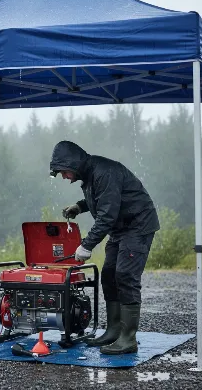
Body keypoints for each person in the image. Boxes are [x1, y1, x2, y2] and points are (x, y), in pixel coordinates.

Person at [49, 140, 160, 355]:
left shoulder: (104, 172)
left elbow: (107, 214)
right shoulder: (91, 174)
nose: (63, 176)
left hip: (137, 225)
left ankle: (128, 339)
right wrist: (80, 206)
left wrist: (86, 245)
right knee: (109, 275)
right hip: (121, 228)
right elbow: (100, 198)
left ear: (73, 164)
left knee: (125, 275)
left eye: (63, 172)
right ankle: (114, 330)